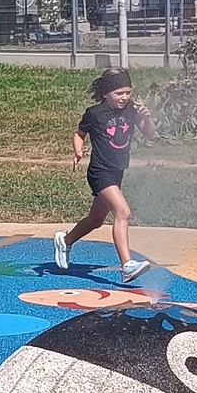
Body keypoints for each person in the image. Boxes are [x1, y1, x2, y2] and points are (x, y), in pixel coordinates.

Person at [53, 68, 154, 280]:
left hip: (117, 172)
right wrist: (78, 151)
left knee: (95, 220)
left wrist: (147, 118)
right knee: (122, 212)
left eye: (128, 92)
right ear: (107, 94)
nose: (124, 97)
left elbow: (149, 133)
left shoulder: (132, 110)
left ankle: (65, 241)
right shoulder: (95, 113)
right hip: (99, 171)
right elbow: (79, 133)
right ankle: (127, 265)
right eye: (119, 93)